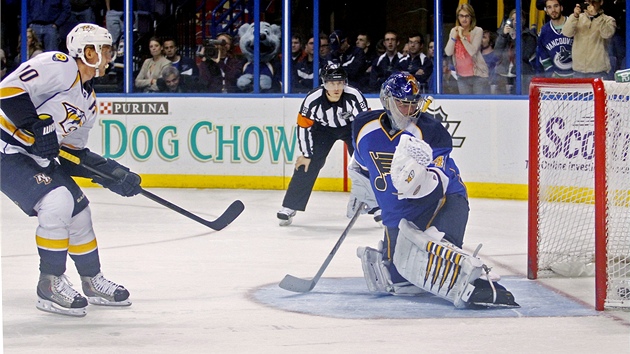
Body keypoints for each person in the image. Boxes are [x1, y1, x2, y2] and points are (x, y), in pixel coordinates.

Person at [0, 23, 139, 317]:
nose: (108, 55)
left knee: (79, 211)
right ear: (86, 51)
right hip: (4, 149)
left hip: (32, 155)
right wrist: (36, 125)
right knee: (56, 201)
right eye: (103, 49)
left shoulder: (88, 102)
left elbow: (70, 154)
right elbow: (7, 90)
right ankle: (49, 283)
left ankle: (91, 280)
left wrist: (110, 174)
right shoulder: (59, 66)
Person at [349, 72, 519, 308]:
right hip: (397, 212)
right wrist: (363, 190)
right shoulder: (363, 126)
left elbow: (439, 184)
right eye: (402, 103)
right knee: (402, 284)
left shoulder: (431, 131)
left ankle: (475, 280)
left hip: (444, 202)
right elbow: (360, 163)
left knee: (431, 251)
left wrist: (417, 176)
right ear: (387, 100)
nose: (408, 111)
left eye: (412, 104)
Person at [277, 64, 370, 226]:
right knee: (307, 164)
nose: (336, 87)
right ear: (323, 84)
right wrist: (307, 154)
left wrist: (366, 152)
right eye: (331, 83)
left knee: (366, 163)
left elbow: (366, 123)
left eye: (340, 83)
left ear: (345, 83)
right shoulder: (312, 100)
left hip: (351, 128)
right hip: (323, 130)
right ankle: (290, 206)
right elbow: (303, 127)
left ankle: (378, 206)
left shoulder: (354, 95)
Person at [562, 0, 616, 79]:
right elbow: (566, 33)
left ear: (601, 2)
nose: (591, 4)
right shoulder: (577, 18)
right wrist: (575, 16)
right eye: (589, 2)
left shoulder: (608, 20)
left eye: (594, 2)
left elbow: (607, 34)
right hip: (578, 71)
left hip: (599, 71)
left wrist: (597, 17)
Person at [444, 3, 489, 95]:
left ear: (471, 17)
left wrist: (461, 37)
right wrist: (453, 37)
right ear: (458, 17)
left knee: (478, 105)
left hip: (478, 76)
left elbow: (472, 51)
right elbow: (448, 52)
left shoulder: (477, 31)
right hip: (461, 76)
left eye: (467, 16)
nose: (464, 19)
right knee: (467, 106)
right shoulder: (454, 31)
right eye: (461, 16)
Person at [495, 9, 538, 94]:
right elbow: (497, 52)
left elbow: (525, 55)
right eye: (513, 19)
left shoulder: (529, 36)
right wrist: (503, 35)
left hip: (521, 75)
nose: (515, 21)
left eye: (518, 19)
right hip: (503, 74)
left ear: (524, 20)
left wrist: (516, 37)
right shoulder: (505, 34)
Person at [537, 0, 574, 78]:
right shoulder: (544, 31)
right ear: (546, 11)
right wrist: (551, 73)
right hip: (556, 78)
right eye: (549, 7)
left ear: (561, 8)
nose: (553, 10)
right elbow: (543, 55)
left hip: (578, 76)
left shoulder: (573, 24)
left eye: (556, 6)